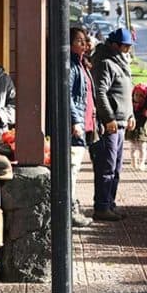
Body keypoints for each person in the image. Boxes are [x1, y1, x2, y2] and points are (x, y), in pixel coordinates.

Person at [91, 27, 136, 222]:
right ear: (115, 45)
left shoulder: (122, 63)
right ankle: (101, 206)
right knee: (106, 166)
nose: (128, 50)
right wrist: (108, 118)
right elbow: (100, 92)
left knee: (116, 167)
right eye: (125, 47)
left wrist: (131, 114)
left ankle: (110, 203)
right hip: (110, 124)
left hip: (121, 122)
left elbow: (126, 91)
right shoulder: (105, 63)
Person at [68, 26, 95, 228]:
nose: (84, 44)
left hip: (84, 125)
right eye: (79, 41)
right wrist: (75, 120)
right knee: (72, 169)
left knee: (75, 168)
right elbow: (68, 95)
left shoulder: (81, 64)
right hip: (74, 128)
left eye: (85, 41)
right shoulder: (70, 65)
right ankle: (69, 209)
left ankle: (72, 206)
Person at [125, 83, 147, 170]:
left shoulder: (145, 107)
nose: (138, 97)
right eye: (136, 94)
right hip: (132, 131)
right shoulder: (130, 106)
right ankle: (133, 162)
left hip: (142, 131)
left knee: (142, 149)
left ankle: (142, 163)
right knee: (132, 149)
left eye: (141, 95)